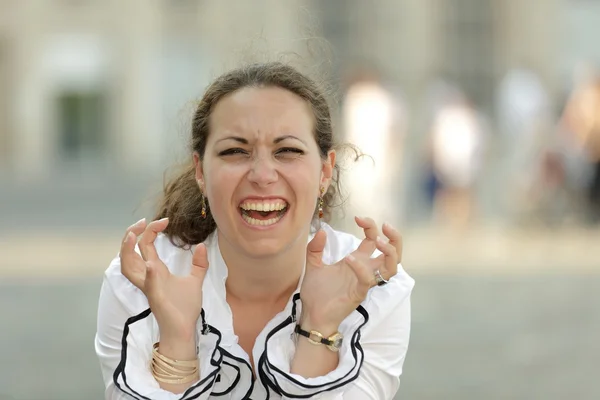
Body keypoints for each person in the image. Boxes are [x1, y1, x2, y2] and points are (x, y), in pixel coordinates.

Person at [94, 62, 415, 399]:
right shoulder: (140, 282)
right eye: (235, 151)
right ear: (200, 172)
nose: (263, 175)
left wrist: (319, 326)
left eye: (287, 151)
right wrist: (176, 339)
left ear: (324, 171)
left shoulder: (374, 290)